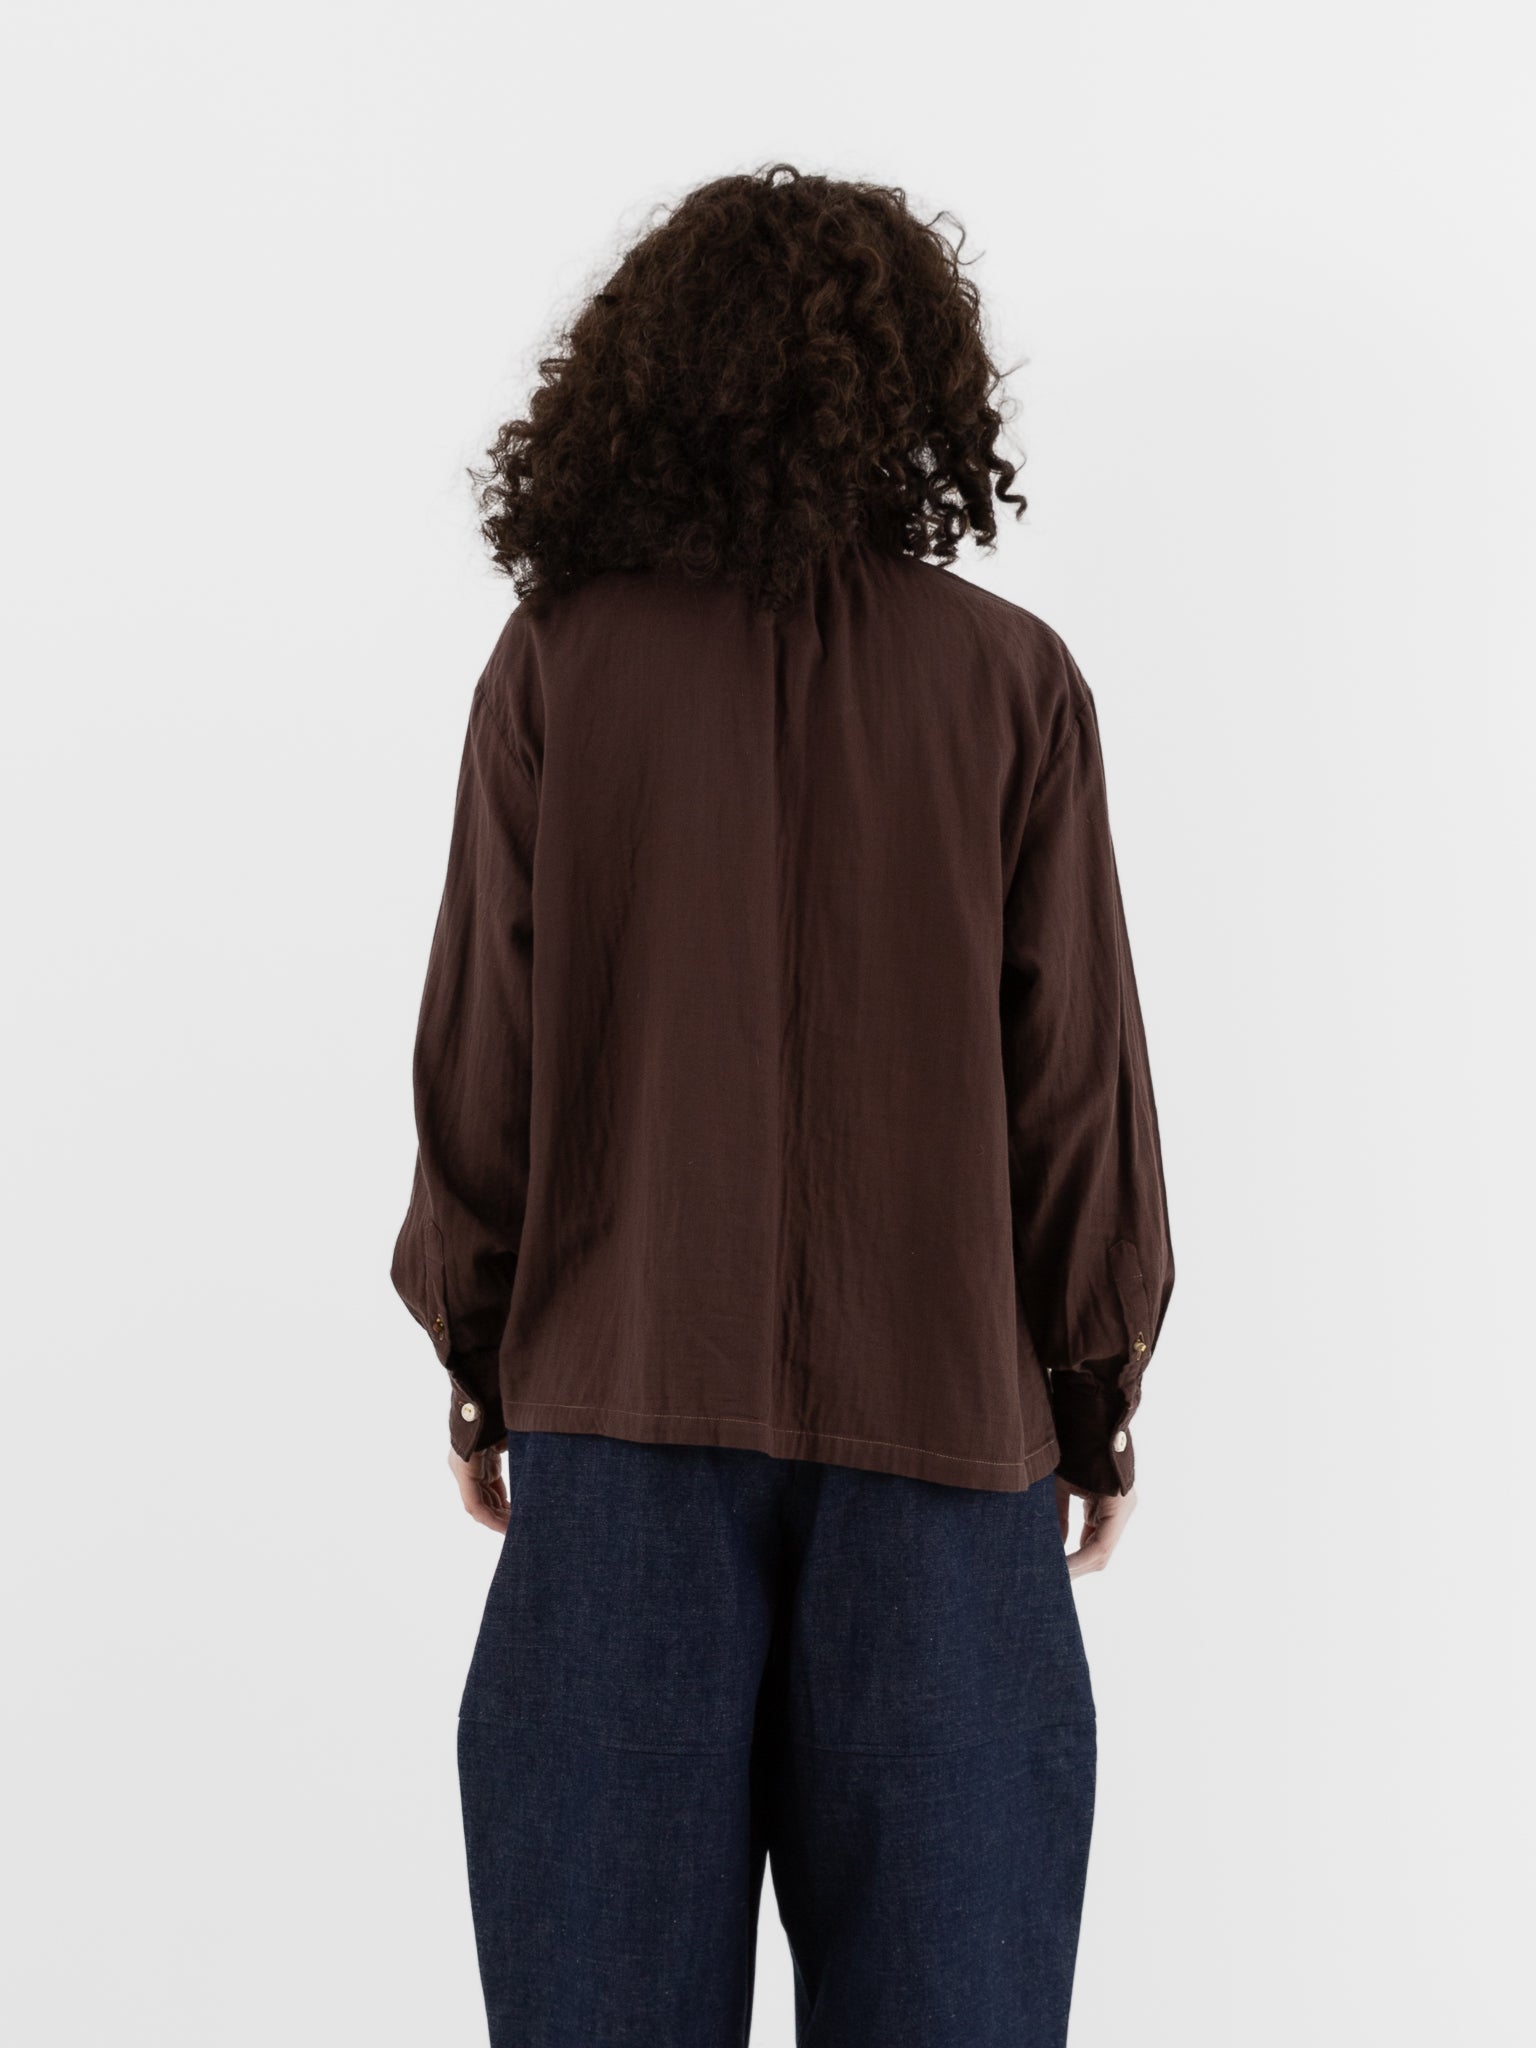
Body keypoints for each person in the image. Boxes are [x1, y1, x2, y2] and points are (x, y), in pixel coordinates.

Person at [391, 162, 1173, 2048]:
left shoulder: (560, 663)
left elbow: (484, 1060)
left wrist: (485, 1361)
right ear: (915, 390)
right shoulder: (1010, 682)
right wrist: (1092, 1392)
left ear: (645, 380)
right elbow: (1075, 1087)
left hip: (620, 1443)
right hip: (947, 1460)